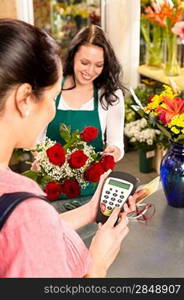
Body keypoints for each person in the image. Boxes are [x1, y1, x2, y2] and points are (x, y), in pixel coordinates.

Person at [0, 18, 145, 278]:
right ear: (24, 99)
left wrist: (91, 210)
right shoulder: (25, 206)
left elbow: (34, 231)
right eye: (50, 96)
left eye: (98, 65)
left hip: (86, 193)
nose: (53, 110)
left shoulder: (21, 204)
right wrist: (97, 267)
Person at [45, 24, 126, 197]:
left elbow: (117, 143)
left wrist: (114, 151)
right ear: (73, 56)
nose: (90, 71)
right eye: (84, 62)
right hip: (50, 186)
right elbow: (37, 139)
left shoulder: (111, 95)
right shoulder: (52, 88)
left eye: (99, 65)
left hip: (93, 190)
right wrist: (39, 159)